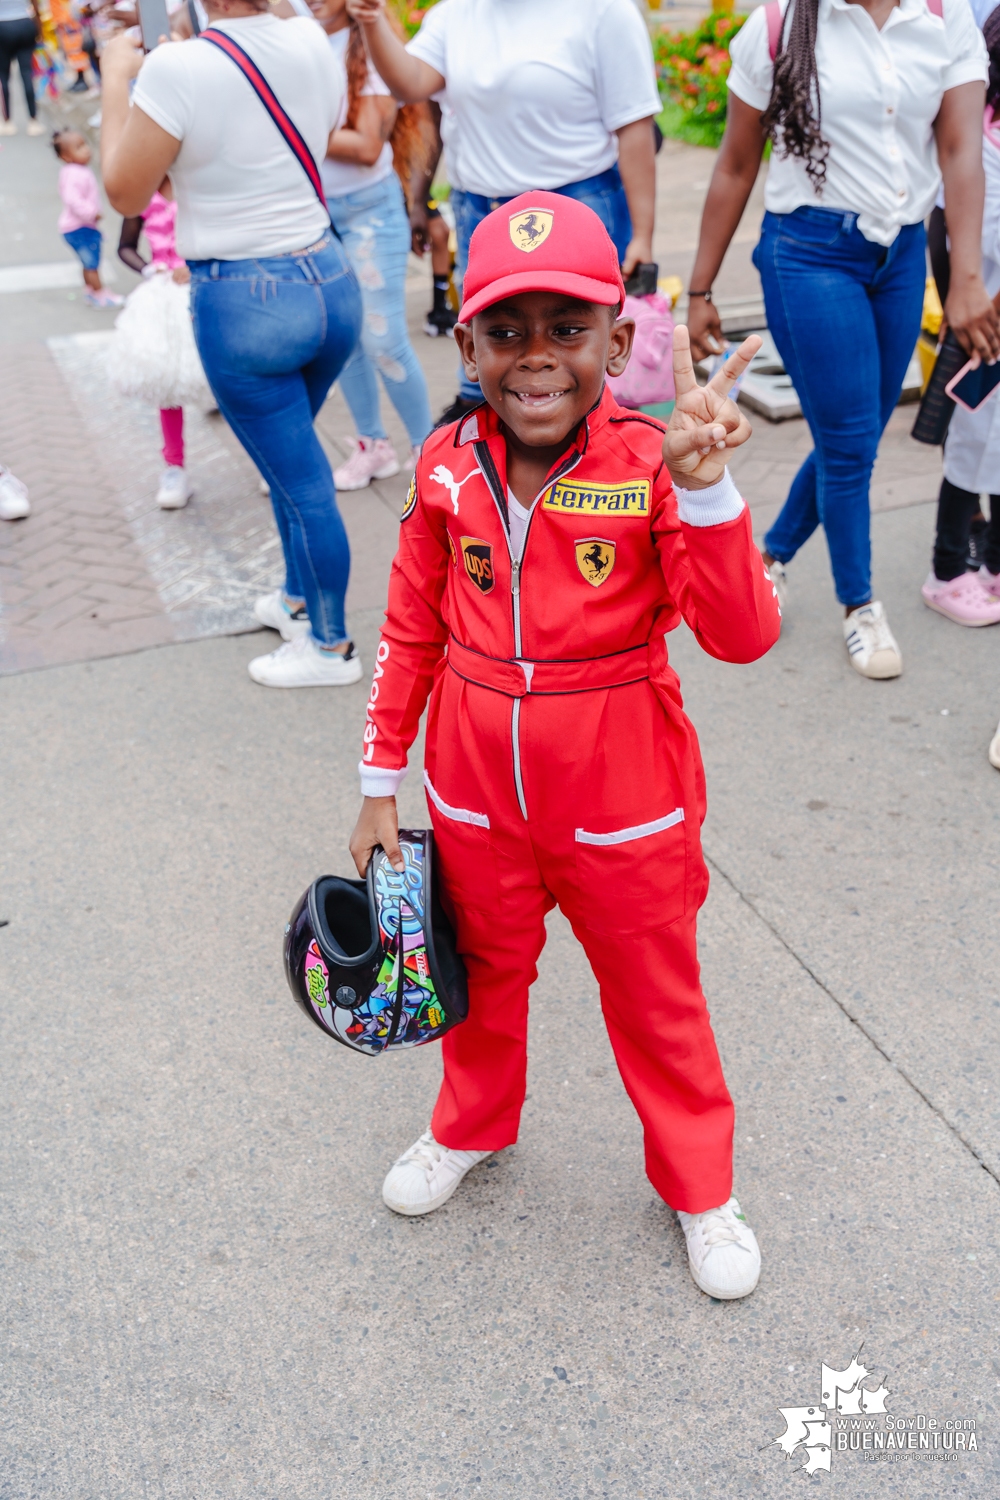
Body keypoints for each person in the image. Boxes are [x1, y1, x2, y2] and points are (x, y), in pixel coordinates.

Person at [348, 193, 782, 1301]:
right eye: (506, 331)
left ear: (618, 343)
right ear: (468, 344)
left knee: (654, 994)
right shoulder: (444, 467)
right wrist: (378, 780)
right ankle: (470, 1125)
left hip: (624, 802)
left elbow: (739, 637)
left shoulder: (652, 463)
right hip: (477, 799)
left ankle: (698, 1185)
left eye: (566, 330)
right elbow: (410, 631)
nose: (535, 359)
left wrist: (709, 489)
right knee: (482, 982)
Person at [685, 0, 1000, 679]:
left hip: (902, 252)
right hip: (809, 254)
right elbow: (737, 164)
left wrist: (965, 280)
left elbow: (958, 150)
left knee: (849, 434)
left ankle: (768, 557)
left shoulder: (942, 19)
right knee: (853, 439)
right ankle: (859, 606)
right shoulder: (777, 25)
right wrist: (699, 288)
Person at [100, 1, 366, 689]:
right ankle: (297, 601)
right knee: (292, 459)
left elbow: (126, 191)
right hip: (329, 280)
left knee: (301, 480)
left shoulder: (176, 66)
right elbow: (315, 125)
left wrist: (113, 78)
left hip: (247, 299)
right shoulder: (311, 38)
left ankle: (331, 648)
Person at [346, 0, 661, 427]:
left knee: (577, 352)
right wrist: (370, 19)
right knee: (494, 349)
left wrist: (643, 234)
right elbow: (410, 82)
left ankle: (597, 471)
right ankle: (493, 476)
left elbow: (634, 126)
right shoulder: (455, 14)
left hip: (577, 206)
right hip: (482, 212)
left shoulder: (604, 12)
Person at [308, 0, 434, 492]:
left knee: (382, 337)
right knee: (343, 340)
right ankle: (371, 446)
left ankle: (428, 450)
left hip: (369, 215)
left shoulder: (373, 46)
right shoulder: (300, 42)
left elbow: (365, 148)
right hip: (315, 214)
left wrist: (285, 120)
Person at [922, 3, 1000, 625]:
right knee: (971, 451)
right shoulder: (986, 148)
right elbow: (963, 233)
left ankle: (994, 565)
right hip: (987, 331)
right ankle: (948, 569)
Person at [113, 191, 210, 510]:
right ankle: (174, 467)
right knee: (166, 384)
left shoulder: (197, 182)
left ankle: (263, 461)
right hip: (163, 299)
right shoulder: (142, 193)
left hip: (206, 290)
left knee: (229, 381)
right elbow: (124, 247)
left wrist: (197, 267)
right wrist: (149, 269)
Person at [53, 129, 124, 309]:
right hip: (80, 227)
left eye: (84, 144)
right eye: (79, 147)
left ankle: (90, 292)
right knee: (92, 263)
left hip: (77, 227)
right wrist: (92, 213)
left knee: (87, 263)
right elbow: (72, 199)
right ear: (66, 156)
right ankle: (100, 294)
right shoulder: (75, 173)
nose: (86, 149)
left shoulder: (73, 171)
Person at [408, 102, 458, 339]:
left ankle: (440, 309)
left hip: (415, 187)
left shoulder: (423, 108)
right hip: (387, 187)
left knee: (440, 232)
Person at [0, 0, 44, 134]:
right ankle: (33, 121)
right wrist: (40, 31)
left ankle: (7, 122)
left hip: (3, 26)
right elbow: (36, 7)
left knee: (4, 76)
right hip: (25, 25)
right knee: (26, 73)